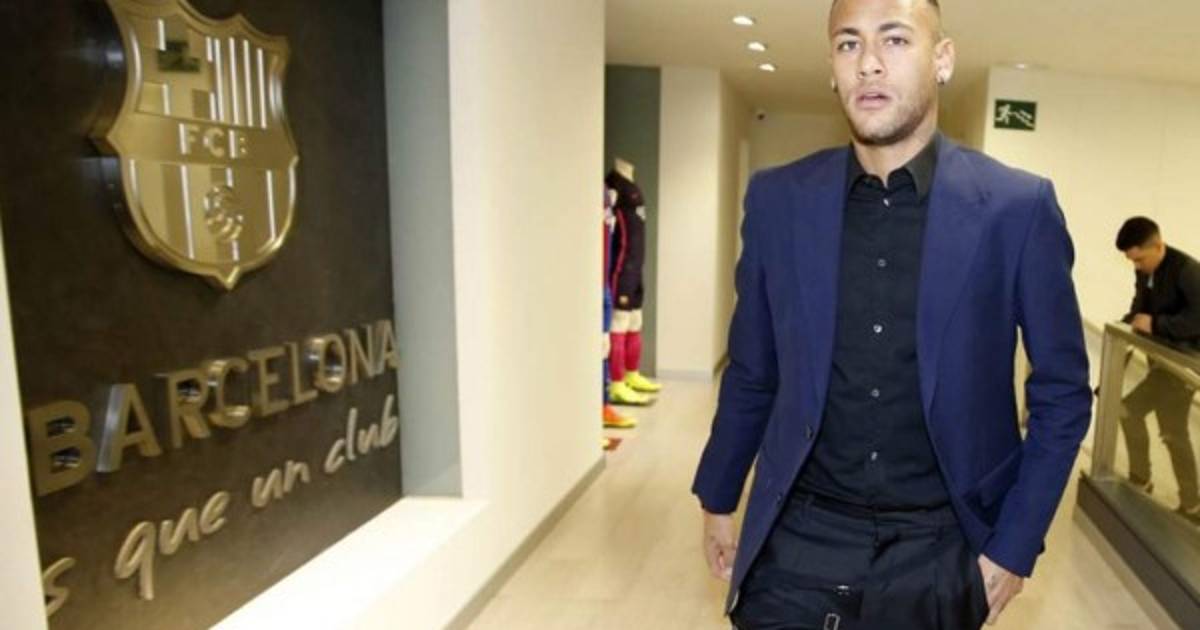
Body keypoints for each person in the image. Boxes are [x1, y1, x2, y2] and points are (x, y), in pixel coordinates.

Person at [691, 1, 1092, 628]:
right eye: (848, 44)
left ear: (942, 59)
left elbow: (1063, 393)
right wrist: (718, 494)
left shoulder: (1017, 209)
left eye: (896, 40)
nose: (869, 63)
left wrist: (1014, 547)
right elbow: (752, 369)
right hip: (797, 540)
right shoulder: (778, 201)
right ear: (832, 67)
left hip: (940, 549)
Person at [1115, 217, 1200, 525]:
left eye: (1140, 260)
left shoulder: (1188, 271)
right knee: (1172, 431)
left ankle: (1145, 481)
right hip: (1163, 364)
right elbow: (1142, 304)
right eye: (1132, 261)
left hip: (1182, 367)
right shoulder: (1146, 271)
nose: (1137, 267)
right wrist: (1126, 322)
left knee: (1132, 412)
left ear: (1158, 246)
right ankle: (1191, 504)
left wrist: (1157, 324)